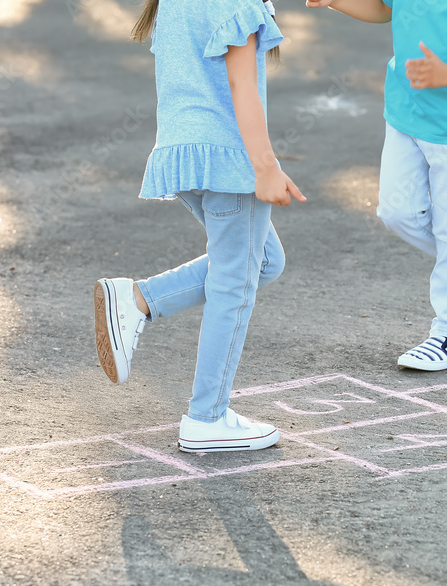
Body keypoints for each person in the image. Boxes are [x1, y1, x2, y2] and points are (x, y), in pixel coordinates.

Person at [94, 0, 305, 452]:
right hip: (226, 159)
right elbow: (241, 82)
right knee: (235, 282)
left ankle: (139, 299)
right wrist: (265, 167)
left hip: (183, 150)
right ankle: (206, 416)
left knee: (264, 261)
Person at [307, 0, 447, 370]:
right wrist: (337, 2)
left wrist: (445, 75)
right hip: (405, 116)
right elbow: (384, 9)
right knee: (395, 212)